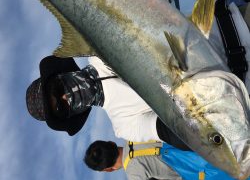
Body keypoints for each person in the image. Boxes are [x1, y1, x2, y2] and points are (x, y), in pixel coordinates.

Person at [26, 55, 190, 150]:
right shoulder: (124, 125)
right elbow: (177, 134)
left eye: (56, 88)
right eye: (59, 107)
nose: (66, 96)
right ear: (69, 115)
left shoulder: (97, 48)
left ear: (59, 75)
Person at [84, 140, 250, 180]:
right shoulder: (134, 131)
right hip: (211, 147)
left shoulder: (135, 178)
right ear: (111, 143)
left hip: (206, 177)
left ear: (108, 170)